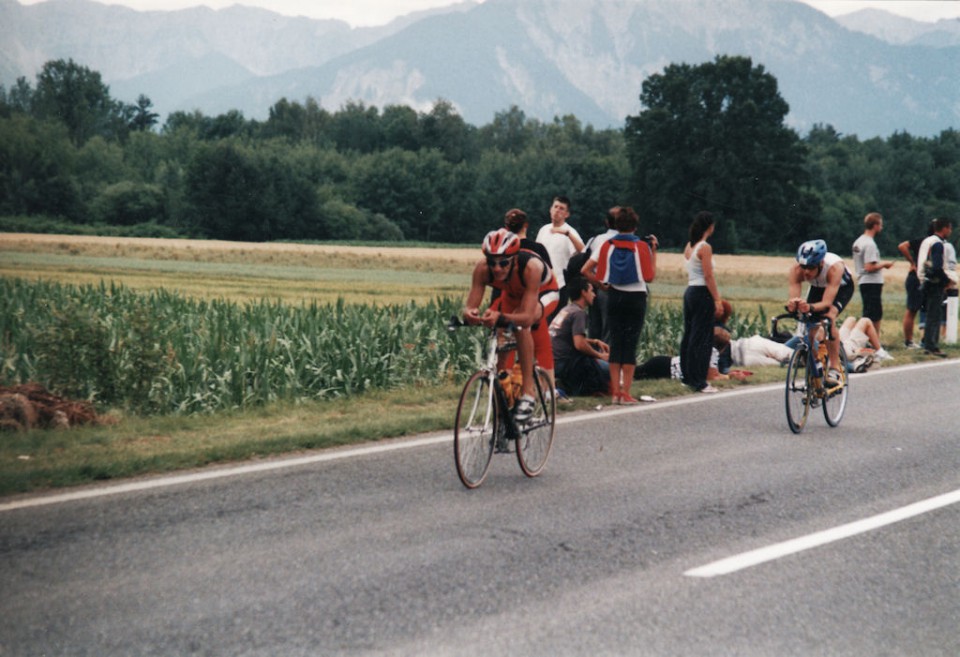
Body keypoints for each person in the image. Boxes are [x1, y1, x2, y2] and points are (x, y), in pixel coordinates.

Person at [463, 228, 559, 421]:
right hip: (513, 294)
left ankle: (528, 394)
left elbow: (526, 317)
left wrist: (502, 318)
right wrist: (470, 314)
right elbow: (469, 307)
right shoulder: (482, 269)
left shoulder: (532, 267)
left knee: (521, 325)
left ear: (514, 259)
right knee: (501, 345)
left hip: (544, 293)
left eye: (503, 263)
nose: (497, 268)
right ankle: (504, 405)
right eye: (492, 262)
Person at [581, 206, 657, 405]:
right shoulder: (641, 246)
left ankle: (615, 393)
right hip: (636, 298)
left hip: (614, 296)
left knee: (615, 344)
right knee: (629, 345)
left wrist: (600, 285)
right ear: (634, 226)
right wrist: (653, 251)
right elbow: (649, 276)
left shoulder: (606, 245)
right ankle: (626, 392)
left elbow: (585, 269)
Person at [786, 239, 855, 385]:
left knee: (828, 318)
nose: (806, 272)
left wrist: (810, 307)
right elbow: (794, 299)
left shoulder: (834, 268)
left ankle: (834, 368)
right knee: (810, 328)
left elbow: (826, 303)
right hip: (818, 288)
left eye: (810, 268)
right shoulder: (796, 270)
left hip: (841, 288)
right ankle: (816, 364)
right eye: (803, 266)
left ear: (821, 263)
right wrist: (793, 305)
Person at [680, 211, 725, 394]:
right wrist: (717, 299)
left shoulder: (690, 246)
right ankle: (700, 381)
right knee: (703, 338)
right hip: (701, 293)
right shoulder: (705, 247)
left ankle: (688, 375)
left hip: (690, 291)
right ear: (710, 227)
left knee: (690, 335)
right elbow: (708, 275)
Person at [548, 277, 610, 397]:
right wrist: (600, 356)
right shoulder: (579, 313)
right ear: (583, 292)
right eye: (591, 291)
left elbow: (566, 337)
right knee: (609, 370)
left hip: (553, 361)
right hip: (563, 363)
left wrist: (595, 341)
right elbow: (579, 344)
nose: (594, 295)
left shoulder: (567, 309)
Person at [535, 195, 584, 317]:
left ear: (567, 214)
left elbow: (583, 250)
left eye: (561, 208)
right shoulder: (543, 230)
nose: (557, 210)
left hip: (560, 285)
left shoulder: (570, 232)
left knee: (553, 322)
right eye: (555, 207)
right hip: (541, 283)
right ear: (550, 209)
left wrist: (567, 234)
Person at [852, 212, 894, 337]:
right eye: (880, 224)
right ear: (875, 225)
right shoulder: (870, 244)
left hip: (863, 281)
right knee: (874, 315)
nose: (881, 227)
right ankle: (874, 342)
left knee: (868, 311)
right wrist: (885, 264)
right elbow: (869, 266)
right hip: (872, 281)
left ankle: (868, 340)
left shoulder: (858, 241)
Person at [916, 217, 953, 356]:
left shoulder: (927, 241)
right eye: (949, 228)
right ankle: (932, 346)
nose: (950, 231)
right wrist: (946, 280)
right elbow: (937, 268)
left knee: (929, 313)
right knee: (935, 315)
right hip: (934, 282)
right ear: (943, 228)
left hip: (924, 280)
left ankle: (927, 343)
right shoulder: (938, 244)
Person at [898, 230, 927, 349]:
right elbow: (902, 246)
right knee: (912, 309)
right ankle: (908, 341)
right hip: (915, 278)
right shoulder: (923, 241)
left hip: (924, 278)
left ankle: (925, 339)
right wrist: (912, 262)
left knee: (927, 310)